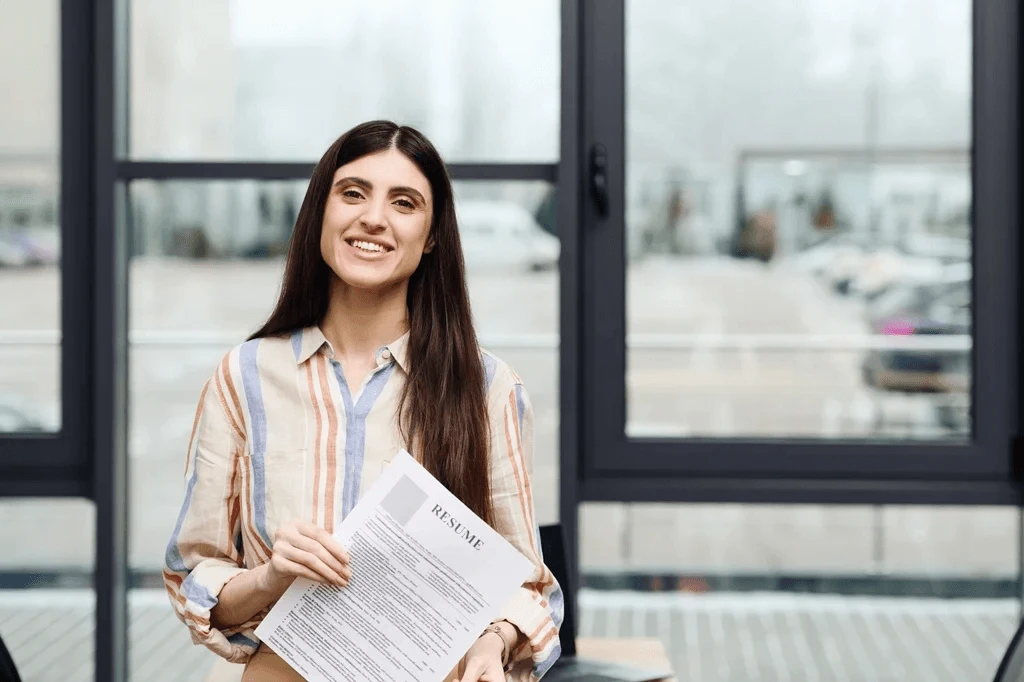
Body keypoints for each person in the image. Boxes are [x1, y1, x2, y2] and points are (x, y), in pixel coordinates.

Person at [163, 120, 563, 682]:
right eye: (353, 193)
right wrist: (271, 577)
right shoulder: (245, 376)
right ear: (320, 214)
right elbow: (193, 573)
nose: (373, 217)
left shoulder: (487, 388)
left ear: (430, 238)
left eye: (404, 203)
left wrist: (493, 642)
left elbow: (529, 588)